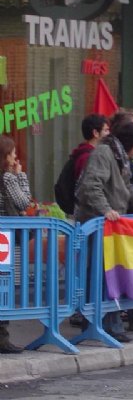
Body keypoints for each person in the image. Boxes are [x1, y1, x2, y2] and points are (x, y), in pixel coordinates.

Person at [75, 122, 133, 343]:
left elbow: (128, 191)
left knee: (110, 277)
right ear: (130, 143)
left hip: (109, 226)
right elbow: (91, 186)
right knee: (98, 276)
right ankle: (97, 324)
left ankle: (111, 326)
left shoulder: (121, 157)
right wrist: (105, 210)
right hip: (97, 225)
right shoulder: (105, 154)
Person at [0, 135, 32, 354]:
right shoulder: (8, 178)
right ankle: (3, 337)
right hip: (4, 237)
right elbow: (24, 202)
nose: (15, 157)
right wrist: (21, 176)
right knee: (4, 284)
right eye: (12, 153)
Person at [71, 114, 110, 180]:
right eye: (106, 130)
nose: (109, 133)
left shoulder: (85, 154)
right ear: (95, 133)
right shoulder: (88, 158)